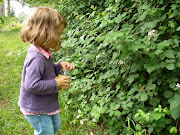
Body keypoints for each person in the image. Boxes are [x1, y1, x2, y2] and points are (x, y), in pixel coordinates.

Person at [18, 7, 75, 135]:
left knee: (55, 125)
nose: (60, 37)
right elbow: (32, 85)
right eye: (58, 34)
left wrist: (59, 66)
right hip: (36, 108)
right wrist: (56, 83)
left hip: (44, 104)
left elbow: (45, 72)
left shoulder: (43, 53)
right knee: (45, 132)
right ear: (46, 33)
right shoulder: (36, 58)